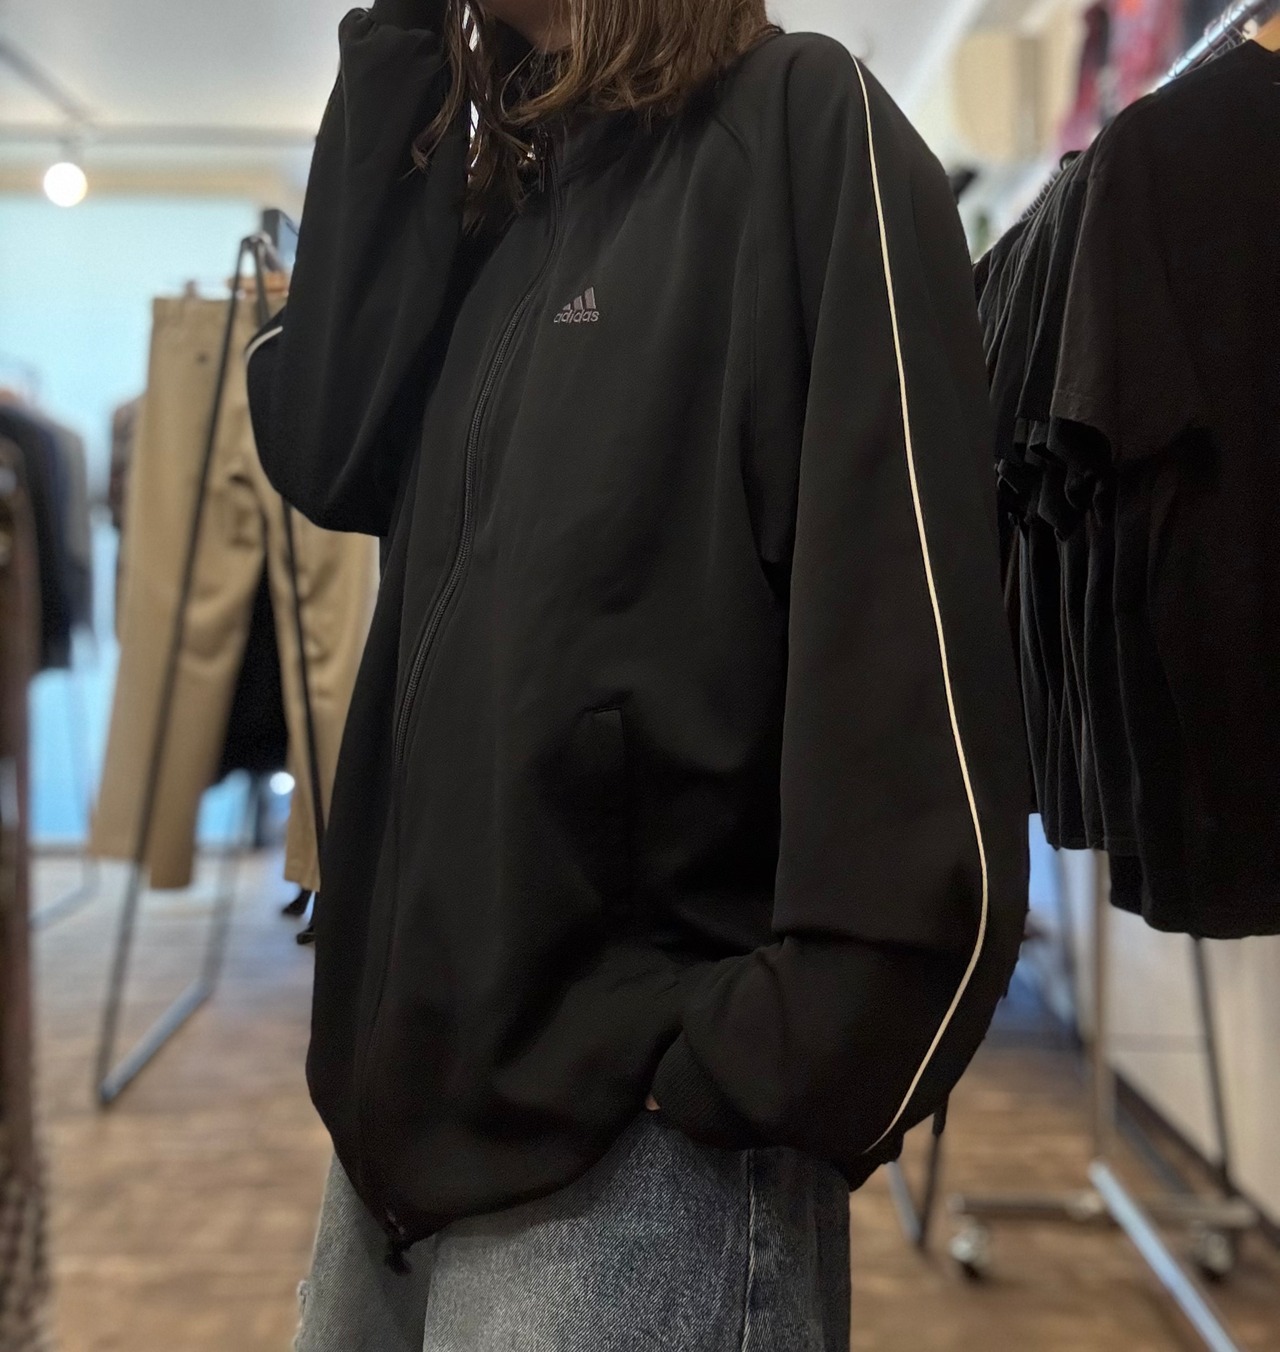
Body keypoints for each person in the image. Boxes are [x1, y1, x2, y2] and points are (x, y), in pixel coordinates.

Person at [246, 0, 1029, 1346]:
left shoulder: (801, 122)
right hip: (398, 1109)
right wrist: (400, 44)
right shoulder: (505, 214)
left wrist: (781, 1051)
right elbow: (326, 439)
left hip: (640, 1153)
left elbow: (908, 627)